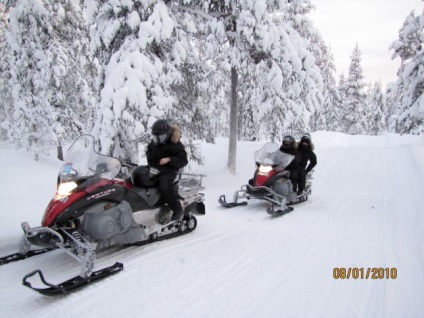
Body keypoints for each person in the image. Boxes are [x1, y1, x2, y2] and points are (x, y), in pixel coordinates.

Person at [146, 119, 188, 223]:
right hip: (156, 169)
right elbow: (149, 152)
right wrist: (153, 161)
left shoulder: (176, 144)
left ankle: (177, 209)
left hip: (170, 171)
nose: (157, 140)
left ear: (167, 134)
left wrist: (169, 159)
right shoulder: (154, 143)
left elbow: (183, 160)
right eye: (155, 137)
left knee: (163, 185)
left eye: (160, 137)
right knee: (139, 177)